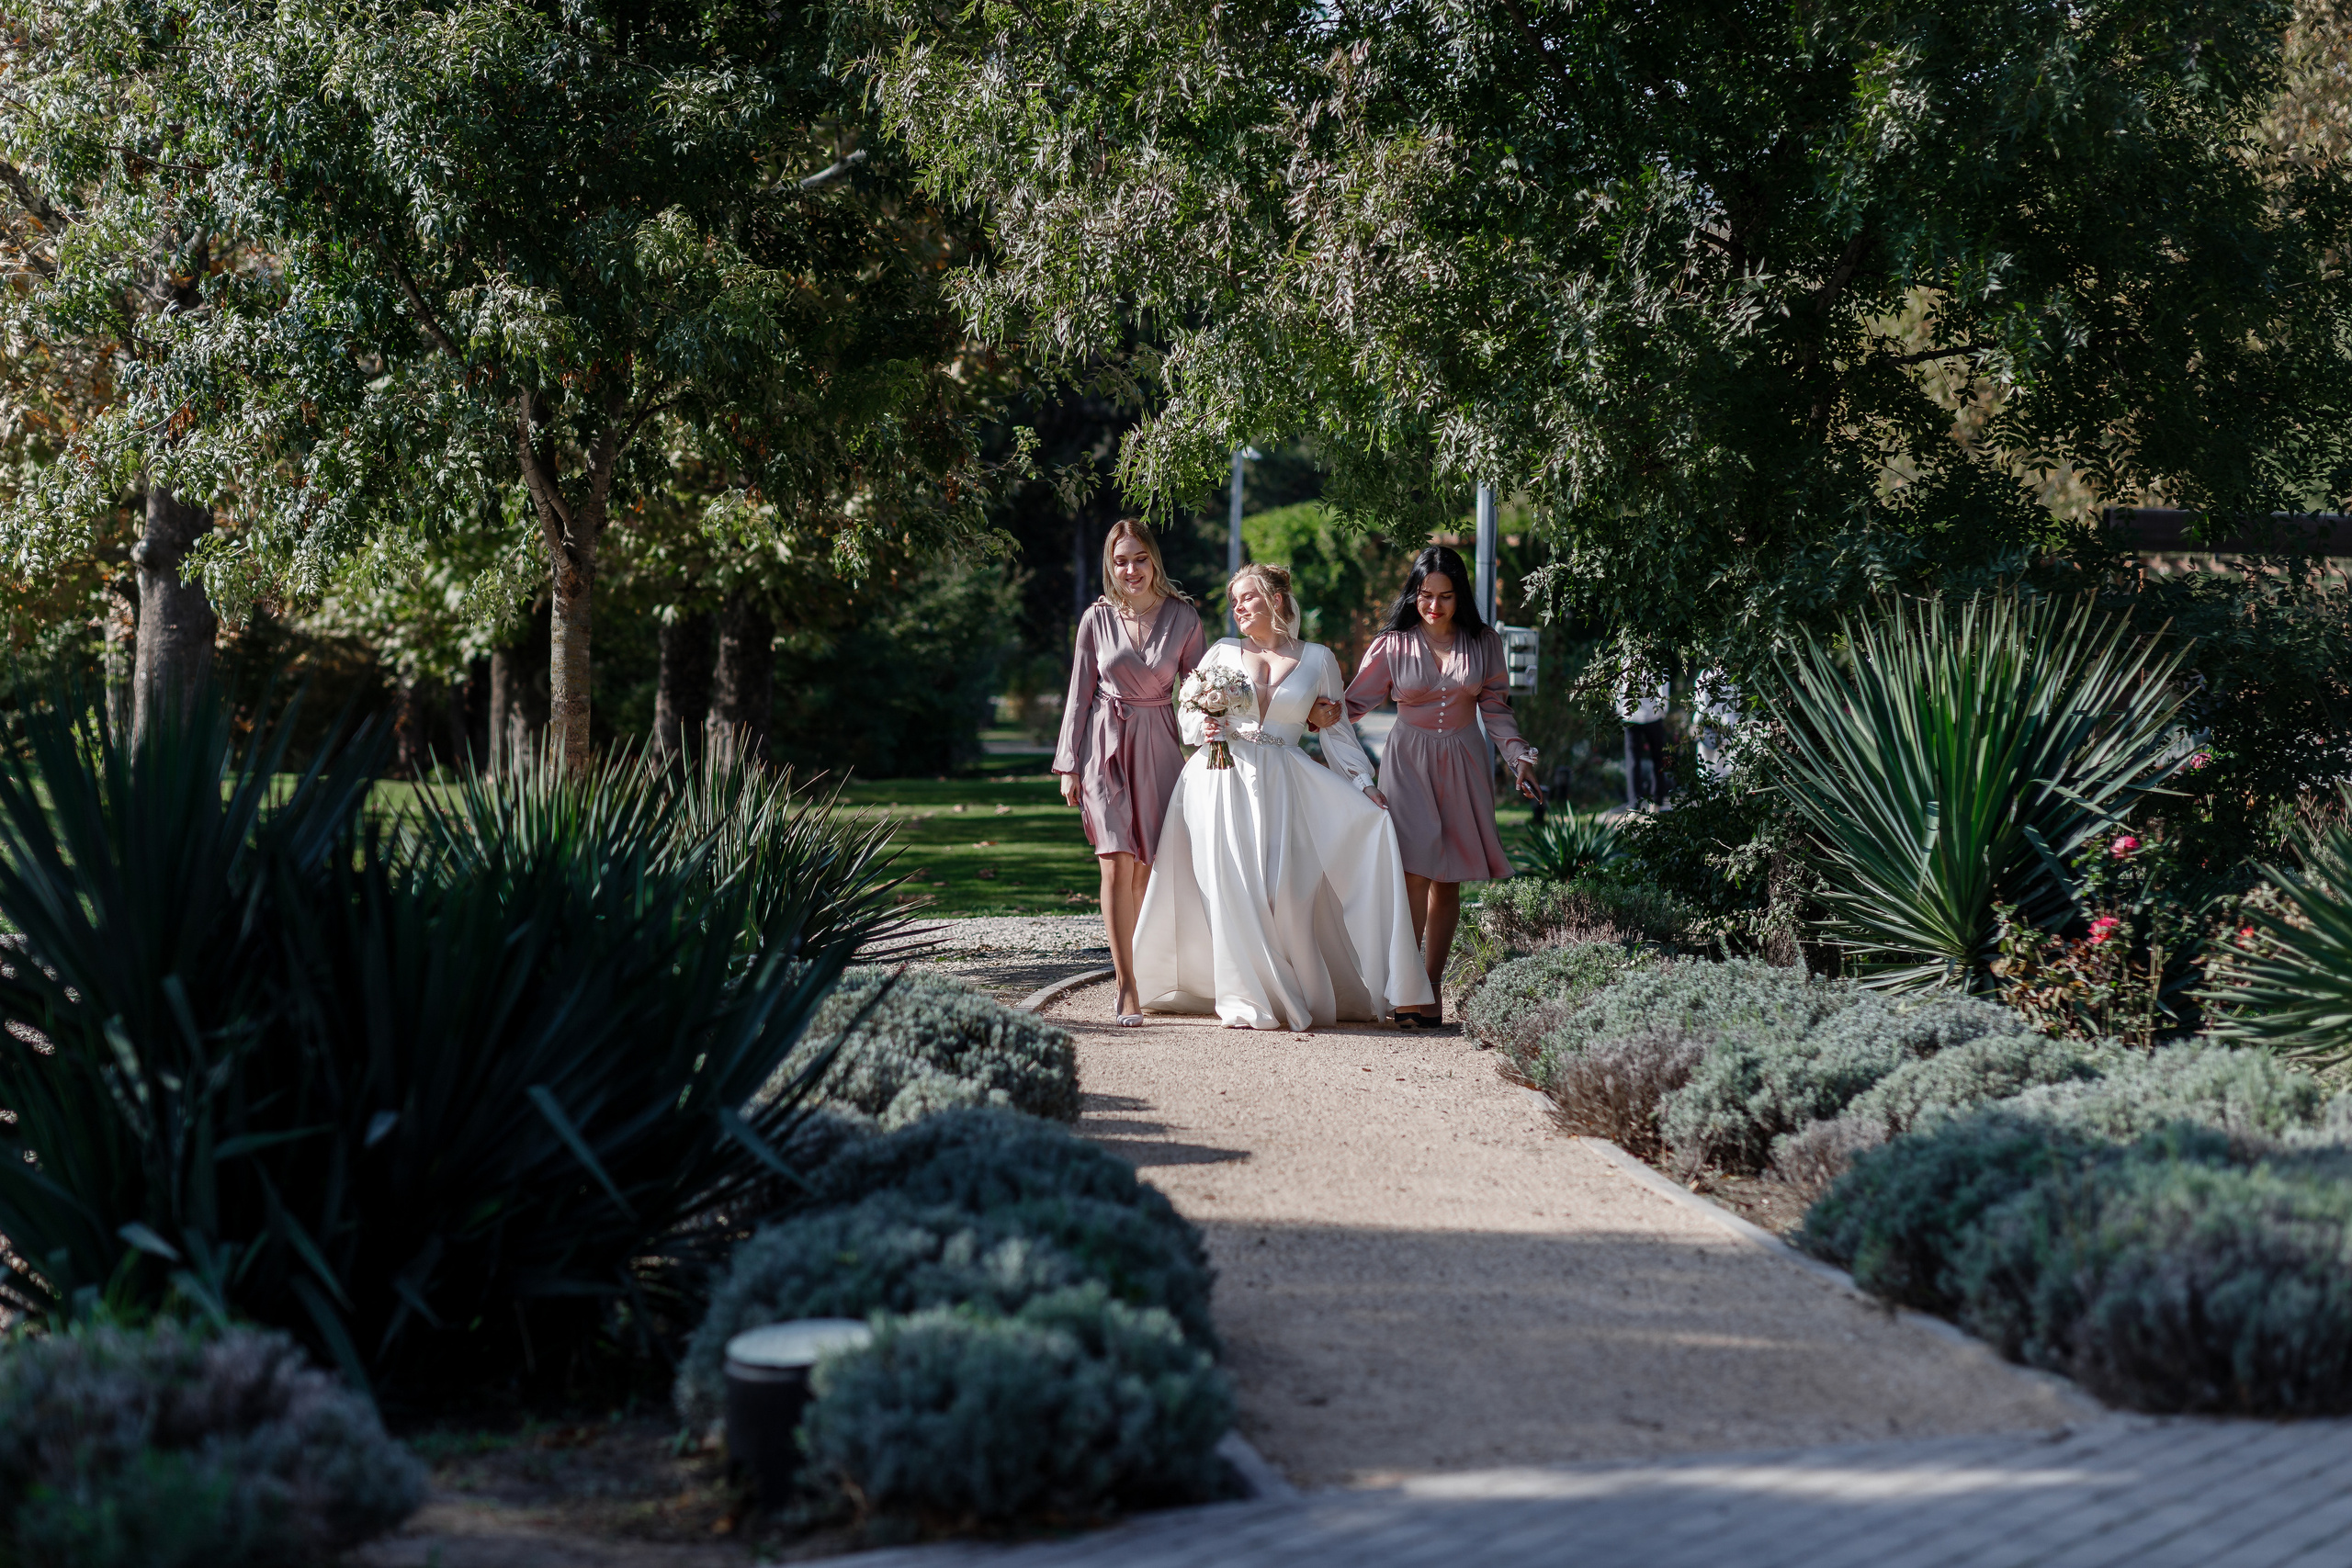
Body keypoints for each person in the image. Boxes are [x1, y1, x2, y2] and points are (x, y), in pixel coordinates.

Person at [1132, 564, 1432, 1031]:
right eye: (1233, 601)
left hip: (1285, 782)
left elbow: (1338, 733)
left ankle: (1297, 987)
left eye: (1247, 598)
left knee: (1284, 892)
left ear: (1274, 600)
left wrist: (1364, 784)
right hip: (1221, 777)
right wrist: (1203, 727)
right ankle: (1244, 995)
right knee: (1231, 887)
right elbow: (1188, 714)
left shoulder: (1318, 659)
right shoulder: (1222, 652)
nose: (1238, 608)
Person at [1346, 545, 1540, 1030]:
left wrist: (1519, 757)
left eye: (1445, 596)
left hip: (1464, 759)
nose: (1434, 606)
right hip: (1407, 760)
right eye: (1425, 595)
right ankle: (1404, 987)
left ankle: (1431, 988)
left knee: (1446, 876)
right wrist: (1302, 718)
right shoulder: (1392, 644)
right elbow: (1352, 704)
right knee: (1413, 870)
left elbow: (1495, 707)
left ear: (1460, 597)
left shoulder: (1485, 642)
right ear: (1413, 595)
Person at [1052, 519, 1206, 1026]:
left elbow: (1202, 692)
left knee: (1145, 870)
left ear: (1154, 559)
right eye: (1121, 561)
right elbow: (1078, 694)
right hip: (1104, 745)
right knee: (1116, 861)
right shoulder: (1095, 619)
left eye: (1139, 558)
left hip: (1160, 745)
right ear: (1109, 565)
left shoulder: (1184, 618)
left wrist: (1214, 743)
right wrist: (1069, 764)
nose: (1130, 569)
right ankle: (1126, 986)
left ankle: (1146, 968)